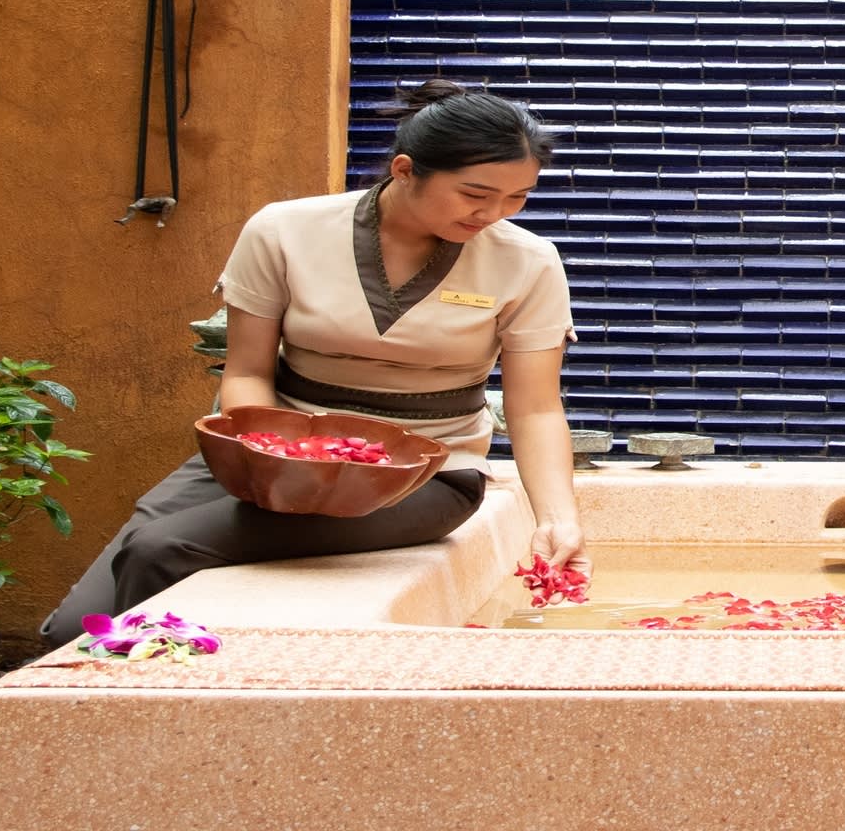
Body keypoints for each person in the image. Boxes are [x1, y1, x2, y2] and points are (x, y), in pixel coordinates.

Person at [43, 80, 589, 644]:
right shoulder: (284, 231)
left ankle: (157, 691)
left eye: (517, 197)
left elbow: (535, 409)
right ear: (405, 170)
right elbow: (248, 372)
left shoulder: (528, 262)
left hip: (424, 478)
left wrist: (557, 519)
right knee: (70, 629)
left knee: (161, 549)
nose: (493, 213)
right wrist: (271, 462)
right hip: (266, 451)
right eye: (476, 193)